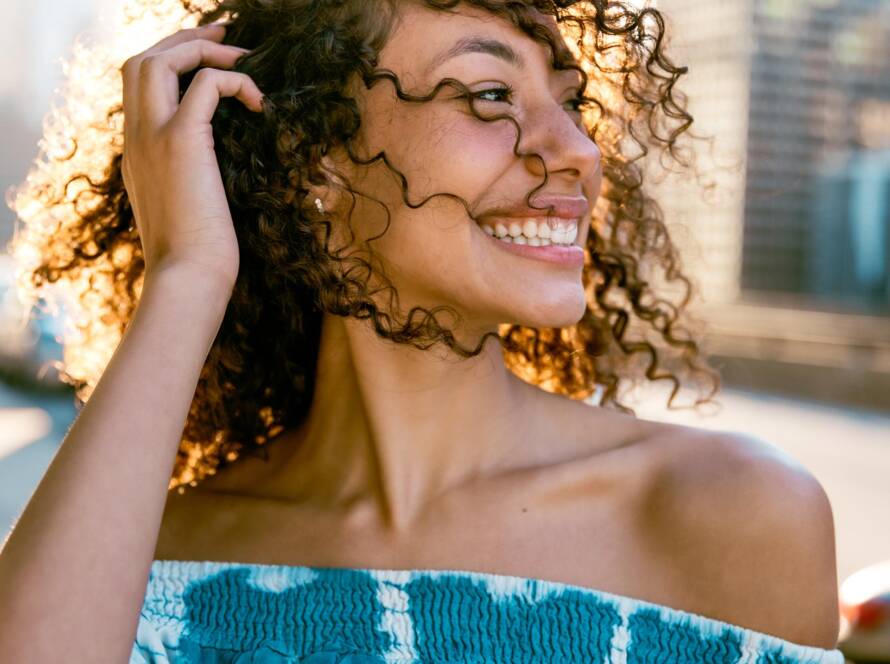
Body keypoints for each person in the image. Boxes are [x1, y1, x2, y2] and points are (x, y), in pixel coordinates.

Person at [0, 0, 845, 661]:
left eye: (571, 102)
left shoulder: (731, 517)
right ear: (311, 157)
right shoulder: (141, 551)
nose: (581, 153)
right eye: (491, 96)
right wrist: (186, 275)